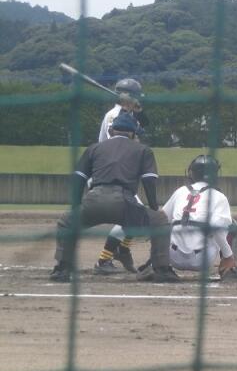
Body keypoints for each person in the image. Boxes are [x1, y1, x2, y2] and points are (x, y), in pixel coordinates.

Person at [49, 113, 178, 283]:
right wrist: (153, 209)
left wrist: (77, 207)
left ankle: (62, 268)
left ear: (111, 130)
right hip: (124, 203)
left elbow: (79, 178)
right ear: (133, 133)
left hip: (93, 200)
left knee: (66, 222)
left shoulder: (94, 148)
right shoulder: (143, 150)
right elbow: (149, 181)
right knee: (160, 222)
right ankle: (162, 270)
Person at [136, 155, 237, 281]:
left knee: (162, 222)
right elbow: (216, 228)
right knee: (231, 224)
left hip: (172, 257)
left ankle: (156, 265)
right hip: (202, 259)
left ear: (192, 173)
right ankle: (230, 269)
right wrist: (228, 255)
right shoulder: (219, 196)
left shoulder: (180, 191)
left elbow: (161, 218)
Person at [94, 78, 148, 275]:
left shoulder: (125, 115)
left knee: (135, 214)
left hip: (116, 173)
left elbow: (142, 129)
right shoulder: (115, 116)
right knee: (134, 213)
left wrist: (136, 113)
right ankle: (105, 259)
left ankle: (122, 250)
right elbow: (117, 145)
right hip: (110, 174)